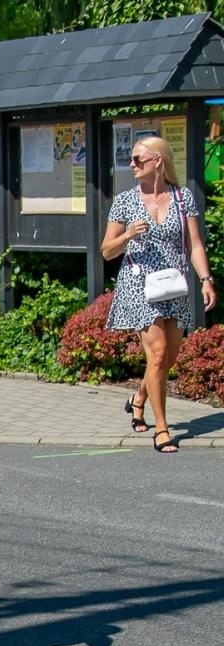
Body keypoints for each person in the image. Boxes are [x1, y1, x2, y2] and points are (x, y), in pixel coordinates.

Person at [102, 136, 217, 452]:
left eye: (139, 159)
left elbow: (194, 244)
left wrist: (206, 279)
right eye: (132, 160)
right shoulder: (126, 200)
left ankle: (139, 398)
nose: (133, 165)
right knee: (157, 353)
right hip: (139, 285)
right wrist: (128, 234)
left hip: (174, 285)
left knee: (166, 359)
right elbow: (107, 250)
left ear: (159, 161)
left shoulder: (182, 198)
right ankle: (163, 429)